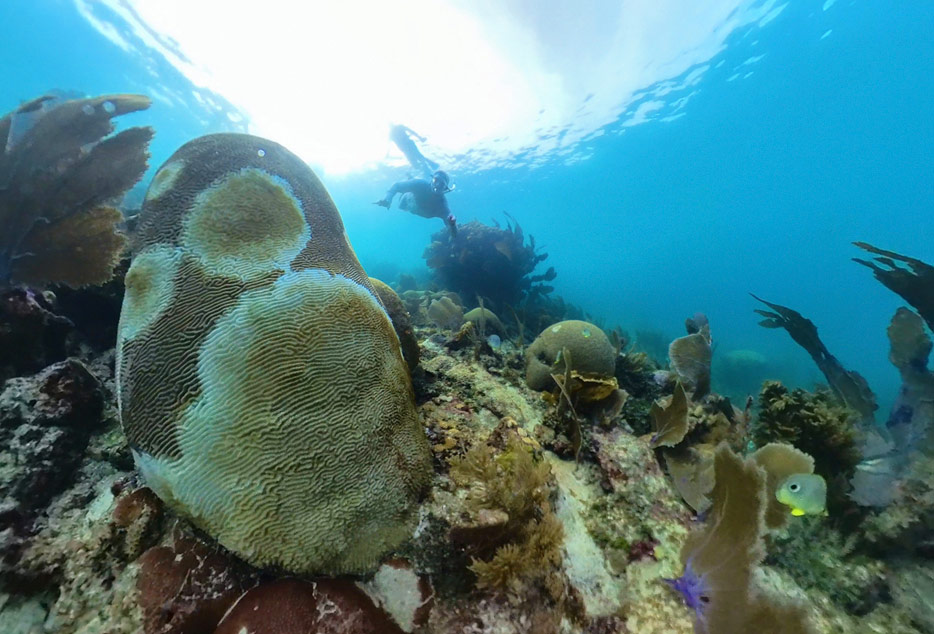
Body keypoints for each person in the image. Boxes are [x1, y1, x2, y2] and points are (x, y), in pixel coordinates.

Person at [374, 170, 457, 237]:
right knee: (401, 205)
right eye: (436, 180)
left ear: (445, 188)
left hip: (414, 207)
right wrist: (387, 199)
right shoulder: (420, 184)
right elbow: (397, 186)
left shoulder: (443, 205)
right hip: (406, 202)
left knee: (410, 188)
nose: (437, 185)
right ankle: (410, 178)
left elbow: (454, 234)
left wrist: (452, 225)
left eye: (441, 184)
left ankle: (410, 178)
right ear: (432, 180)